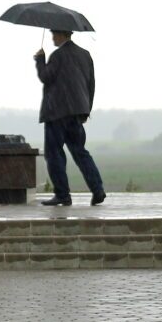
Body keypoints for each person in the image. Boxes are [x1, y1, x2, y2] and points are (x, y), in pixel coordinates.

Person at [35, 30, 104, 207]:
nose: (52, 38)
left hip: (57, 112)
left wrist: (40, 61)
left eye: (54, 34)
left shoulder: (57, 56)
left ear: (61, 35)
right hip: (77, 112)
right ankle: (98, 189)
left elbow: (46, 77)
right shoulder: (84, 55)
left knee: (54, 154)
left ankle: (62, 194)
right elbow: (91, 83)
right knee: (80, 152)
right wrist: (86, 109)